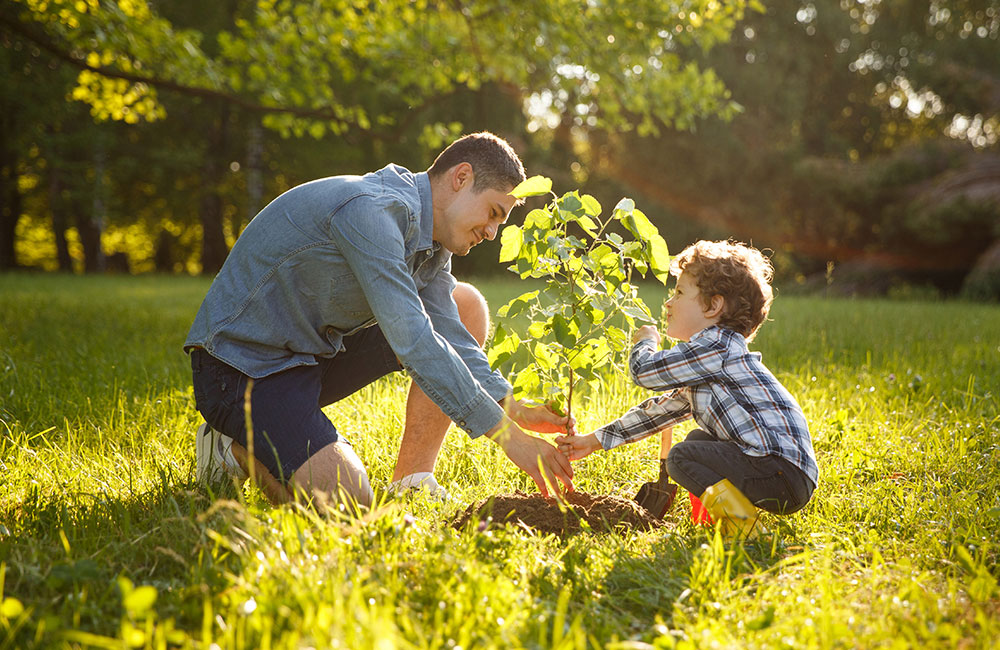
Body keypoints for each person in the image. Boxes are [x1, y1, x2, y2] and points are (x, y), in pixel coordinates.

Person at [185, 132, 575, 508]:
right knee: (349, 503)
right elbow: (415, 340)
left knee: (464, 304)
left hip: (309, 356)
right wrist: (509, 438)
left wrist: (511, 405)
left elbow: (450, 332)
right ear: (461, 177)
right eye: (493, 213)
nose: (492, 232)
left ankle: (412, 481)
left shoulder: (432, 242)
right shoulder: (372, 211)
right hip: (241, 369)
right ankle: (230, 449)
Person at [556, 240, 817, 538]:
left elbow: (645, 372)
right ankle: (720, 522)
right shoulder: (711, 361)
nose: (668, 303)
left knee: (682, 457)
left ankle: (746, 531)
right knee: (697, 440)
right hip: (785, 473)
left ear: (713, 306)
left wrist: (645, 343)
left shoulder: (716, 346)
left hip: (779, 471)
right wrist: (594, 441)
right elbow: (658, 412)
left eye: (679, 293)